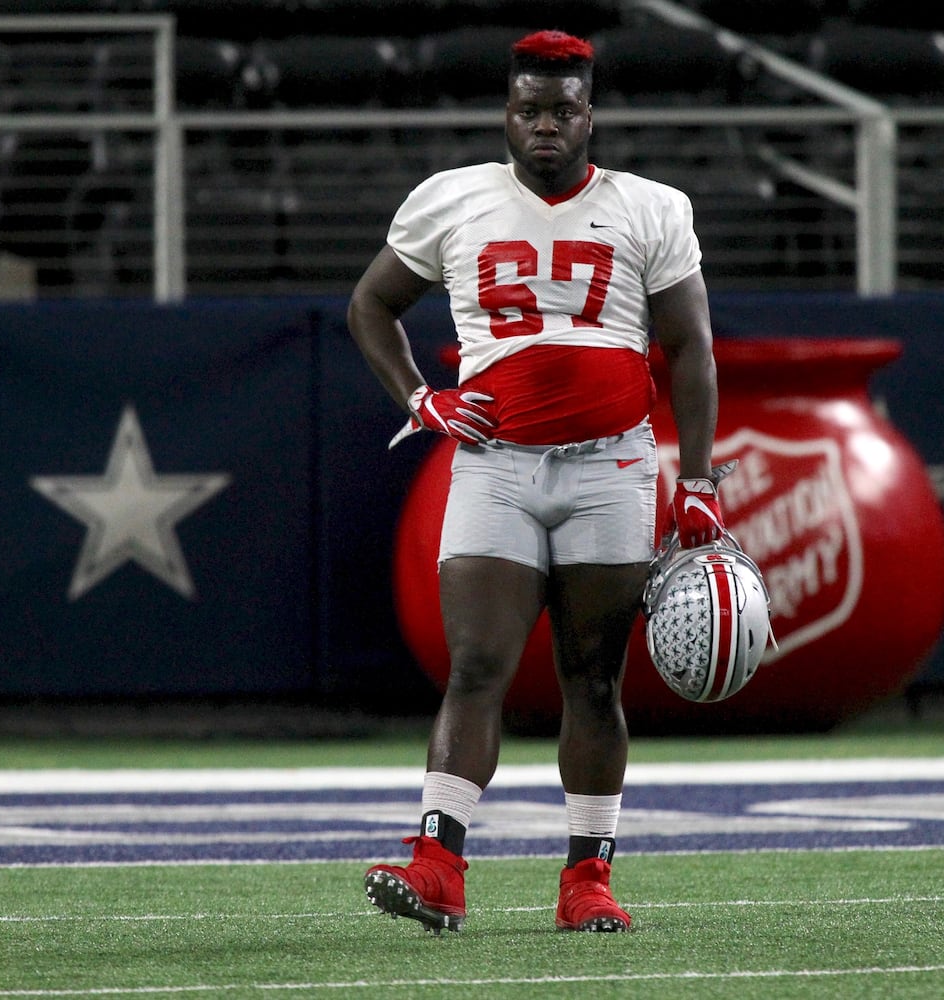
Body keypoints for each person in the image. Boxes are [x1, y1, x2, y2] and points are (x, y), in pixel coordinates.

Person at [345, 28, 724, 935]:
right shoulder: (451, 199)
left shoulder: (651, 207)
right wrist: (420, 399)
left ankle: (586, 879)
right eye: (528, 109)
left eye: (562, 109)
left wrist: (701, 479)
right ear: (505, 116)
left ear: (590, 114)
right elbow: (370, 305)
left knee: (593, 680)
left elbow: (690, 350)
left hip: (612, 466)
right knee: (475, 665)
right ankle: (437, 865)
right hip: (495, 464)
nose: (545, 124)